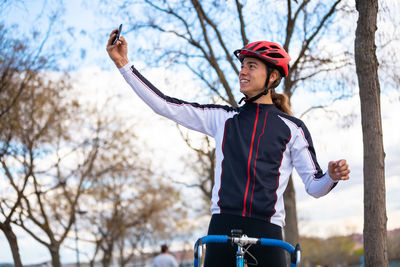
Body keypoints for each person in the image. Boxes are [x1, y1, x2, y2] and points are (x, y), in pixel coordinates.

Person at [106, 30, 350, 267]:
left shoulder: (292, 129)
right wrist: (123, 63)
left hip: (268, 232)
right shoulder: (222, 118)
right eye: (242, 66)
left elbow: (315, 187)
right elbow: (164, 105)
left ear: (273, 76)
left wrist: (331, 176)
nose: (242, 71)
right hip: (222, 228)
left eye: (251, 66)